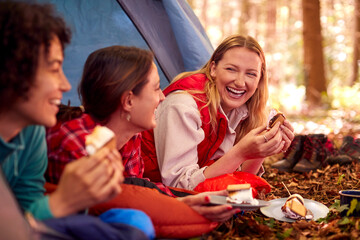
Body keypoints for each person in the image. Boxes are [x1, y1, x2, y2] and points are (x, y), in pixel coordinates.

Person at [45, 45, 240, 223]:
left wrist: (194, 199)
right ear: (129, 101)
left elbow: (137, 191)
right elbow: (91, 212)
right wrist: (180, 208)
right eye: (156, 89)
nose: (163, 97)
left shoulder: (131, 135)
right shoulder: (75, 143)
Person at [0, 0, 125, 223]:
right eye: (55, 69)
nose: (66, 85)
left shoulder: (32, 131)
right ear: (11, 68)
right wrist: (63, 202)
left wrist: (80, 198)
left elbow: (26, 210)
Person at [141, 34, 295, 190]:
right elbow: (179, 187)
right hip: (144, 190)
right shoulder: (183, 105)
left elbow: (237, 180)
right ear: (213, 69)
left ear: (260, 79)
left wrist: (262, 150)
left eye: (251, 74)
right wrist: (240, 153)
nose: (240, 82)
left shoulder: (242, 110)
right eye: (231, 69)